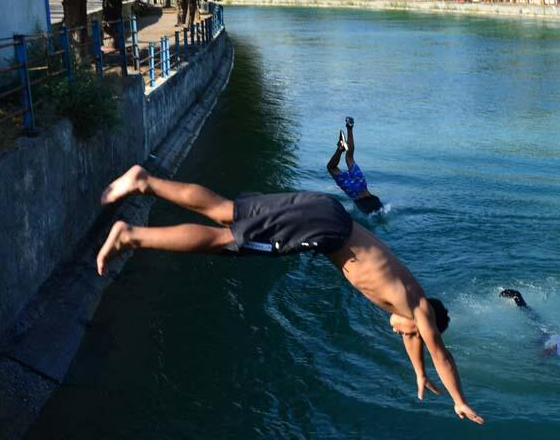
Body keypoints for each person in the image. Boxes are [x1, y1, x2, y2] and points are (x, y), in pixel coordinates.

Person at [96, 165, 483, 424]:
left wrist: (417, 374)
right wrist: (458, 399)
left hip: (323, 217)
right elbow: (439, 352)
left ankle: (140, 193)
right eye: (408, 332)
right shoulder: (417, 311)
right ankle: (131, 233)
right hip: (321, 230)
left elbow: (418, 343)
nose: (400, 333)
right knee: (223, 239)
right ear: (425, 320)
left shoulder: (410, 304)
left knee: (226, 212)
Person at [327, 117, 383, 214]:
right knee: (348, 158)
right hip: (366, 193)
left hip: (358, 190)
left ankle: (345, 137)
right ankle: (349, 128)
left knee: (341, 162)